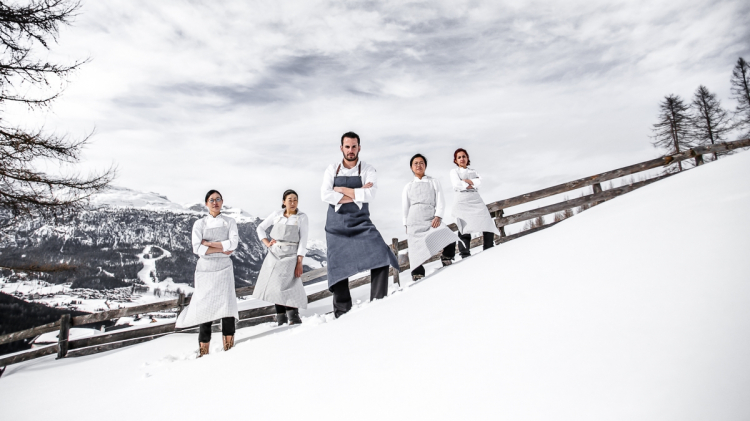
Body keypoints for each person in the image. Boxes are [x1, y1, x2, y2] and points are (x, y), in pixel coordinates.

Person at [321, 131, 399, 318]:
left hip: (361, 222)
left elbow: (370, 195)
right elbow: (325, 195)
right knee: (337, 265)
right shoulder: (332, 169)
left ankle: (378, 301)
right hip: (336, 226)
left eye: (354, 146)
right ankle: (342, 311)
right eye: (347, 147)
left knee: (381, 252)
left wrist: (340, 191)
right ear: (341, 148)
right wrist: (357, 194)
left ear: (359, 148)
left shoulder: (367, 169)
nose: (350, 150)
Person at [175, 190, 239, 357]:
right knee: (205, 307)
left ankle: (229, 346)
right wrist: (221, 247)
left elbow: (233, 245)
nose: (215, 202)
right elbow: (197, 248)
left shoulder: (229, 221)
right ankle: (204, 350)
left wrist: (209, 244)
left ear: (222, 201)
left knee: (227, 306)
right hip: (205, 270)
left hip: (224, 268)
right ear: (206, 203)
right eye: (212, 200)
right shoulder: (200, 224)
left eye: (218, 199)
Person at [253, 189, 309, 326]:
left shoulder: (301, 217)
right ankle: (281, 318)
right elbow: (260, 228)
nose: (293, 202)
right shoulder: (276, 214)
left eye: (295, 199)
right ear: (284, 202)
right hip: (274, 253)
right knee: (275, 286)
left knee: (289, 285)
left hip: (291, 254)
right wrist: (267, 243)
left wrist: (299, 261)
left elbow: (303, 240)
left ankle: (294, 317)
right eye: (290, 199)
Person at [401, 153, 458, 281]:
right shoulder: (408, 186)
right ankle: (418, 273)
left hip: (430, 218)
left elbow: (440, 200)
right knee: (415, 247)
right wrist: (406, 224)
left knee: (446, 234)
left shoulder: (433, 182)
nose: (418, 165)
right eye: (415, 163)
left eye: (421, 163)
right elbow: (405, 206)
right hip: (414, 220)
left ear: (425, 165)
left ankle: (447, 257)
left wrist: (438, 216)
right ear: (411, 167)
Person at [447, 148, 501, 260]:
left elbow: (479, 182)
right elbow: (457, 184)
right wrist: (472, 183)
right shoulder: (454, 172)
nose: (462, 159)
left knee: (487, 221)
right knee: (464, 226)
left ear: (467, 158)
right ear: (456, 160)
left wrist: (466, 182)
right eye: (459, 157)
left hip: (475, 200)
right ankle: (465, 253)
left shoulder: (474, 171)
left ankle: (488, 247)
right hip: (462, 201)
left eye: (464, 156)